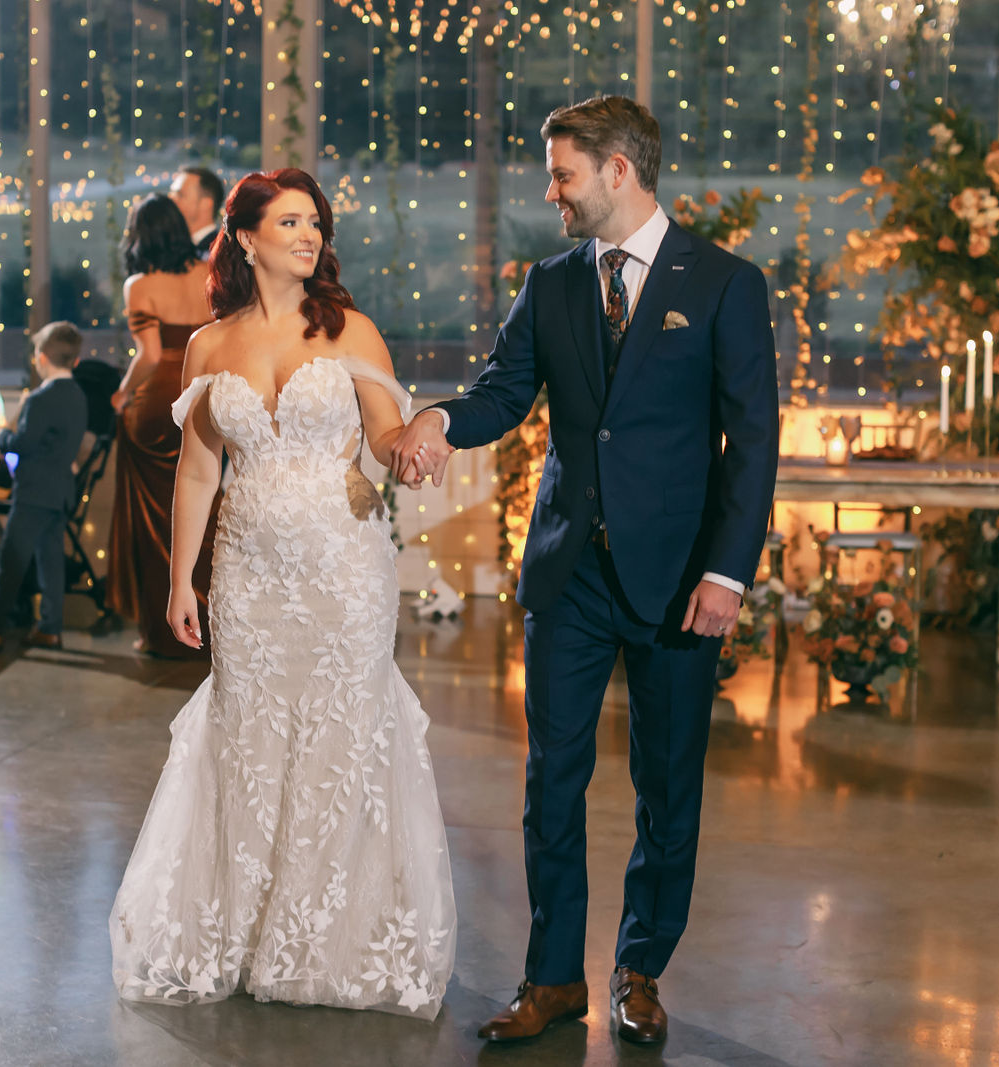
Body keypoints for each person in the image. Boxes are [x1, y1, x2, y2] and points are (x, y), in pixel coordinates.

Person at [391, 96, 779, 1045]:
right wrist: (441, 418)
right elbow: (504, 393)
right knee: (550, 784)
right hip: (569, 575)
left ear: (619, 171)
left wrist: (728, 571)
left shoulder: (725, 284)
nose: (551, 191)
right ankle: (554, 978)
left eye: (563, 173)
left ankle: (640, 970)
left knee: (667, 786)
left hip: (681, 578)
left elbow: (754, 441)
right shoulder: (552, 282)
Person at [108, 169, 456, 1019]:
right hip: (247, 576)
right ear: (248, 239)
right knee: (251, 737)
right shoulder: (208, 345)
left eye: (316, 223)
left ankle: (328, 940)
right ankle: (246, 932)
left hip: (343, 569)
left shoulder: (352, 329)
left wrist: (413, 445)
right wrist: (182, 576)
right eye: (291, 221)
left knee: (341, 736)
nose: (310, 235)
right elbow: (198, 467)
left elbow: (382, 434)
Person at [105, 194, 217, 657]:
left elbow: (150, 355)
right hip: (202, 398)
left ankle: (162, 629)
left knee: (157, 519)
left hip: (155, 406)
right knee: (205, 511)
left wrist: (122, 392)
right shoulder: (208, 274)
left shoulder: (139, 284)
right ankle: (215, 623)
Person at [0, 321, 88, 653]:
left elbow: (23, 443)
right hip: (60, 492)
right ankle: (51, 627)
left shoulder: (40, 400)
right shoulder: (78, 397)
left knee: (11, 560)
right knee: (51, 560)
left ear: (41, 358)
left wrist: (1, 435)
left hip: (33, 492)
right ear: (75, 361)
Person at [169, 165, 225, 259]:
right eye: (171, 194)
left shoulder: (219, 254)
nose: (170, 200)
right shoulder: (172, 245)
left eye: (180, 195)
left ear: (206, 204)